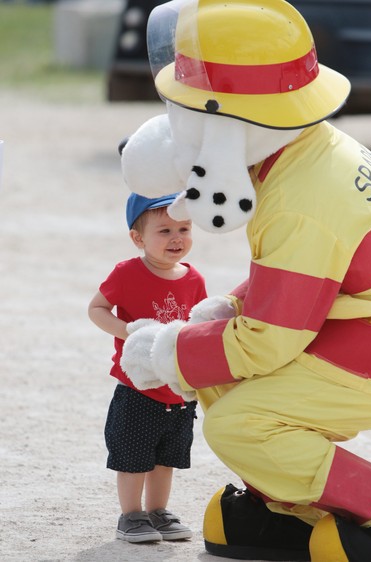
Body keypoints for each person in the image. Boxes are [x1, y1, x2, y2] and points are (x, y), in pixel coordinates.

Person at [117, 1, 371, 561]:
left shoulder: (301, 198)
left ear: (230, 120)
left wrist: (169, 351)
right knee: (219, 377)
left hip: (365, 342)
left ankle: (366, 502)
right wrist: (222, 311)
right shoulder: (299, 153)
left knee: (239, 423)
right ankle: (289, 510)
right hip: (354, 323)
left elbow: (270, 338)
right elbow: (294, 282)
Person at [88, 192, 207, 544]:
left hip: (177, 388)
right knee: (133, 457)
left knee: (165, 458)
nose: (176, 238)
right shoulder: (127, 273)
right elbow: (96, 309)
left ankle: (158, 512)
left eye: (183, 228)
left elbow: (197, 325)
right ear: (138, 238)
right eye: (165, 230)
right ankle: (131, 516)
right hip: (138, 387)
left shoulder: (193, 278)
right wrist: (125, 331)